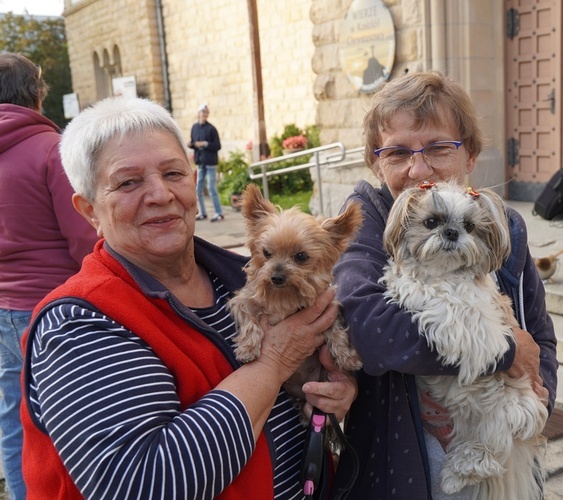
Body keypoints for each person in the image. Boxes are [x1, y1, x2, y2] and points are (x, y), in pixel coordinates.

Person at [20, 96, 357, 499]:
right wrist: (273, 364)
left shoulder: (237, 275)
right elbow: (146, 485)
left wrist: (340, 394)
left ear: (194, 180)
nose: (160, 194)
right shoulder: (78, 325)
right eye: (129, 182)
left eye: (173, 172)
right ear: (89, 210)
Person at [331, 71, 558, 499]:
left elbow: (540, 335)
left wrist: (533, 400)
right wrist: (507, 351)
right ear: (376, 162)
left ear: (470, 155)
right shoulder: (366, 218)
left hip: (502, 443)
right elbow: (371, 332)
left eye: (438, 148)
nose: (418, 169)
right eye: (397, 153)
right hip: (401, 459)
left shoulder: (506, 226)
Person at [0, 53, 100, 500]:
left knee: (11, 415)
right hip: (53, 306)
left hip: (2, 307)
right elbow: (83, 238)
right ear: (36, 92)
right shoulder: (51, 150)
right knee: (72, 415)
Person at [189, 103, 224, 222]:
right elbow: (193, 142)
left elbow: (217, 146)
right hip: (200, 162)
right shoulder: (195, 127)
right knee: (198, 188)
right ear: (198, 113)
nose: (204, 114)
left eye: (206, 112)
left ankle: (219, 213)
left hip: (210, 162)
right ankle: (202, 212)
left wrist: (205, 144)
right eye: (202, 112)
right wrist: (192, 145)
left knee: (211, 188)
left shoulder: (211, 129)